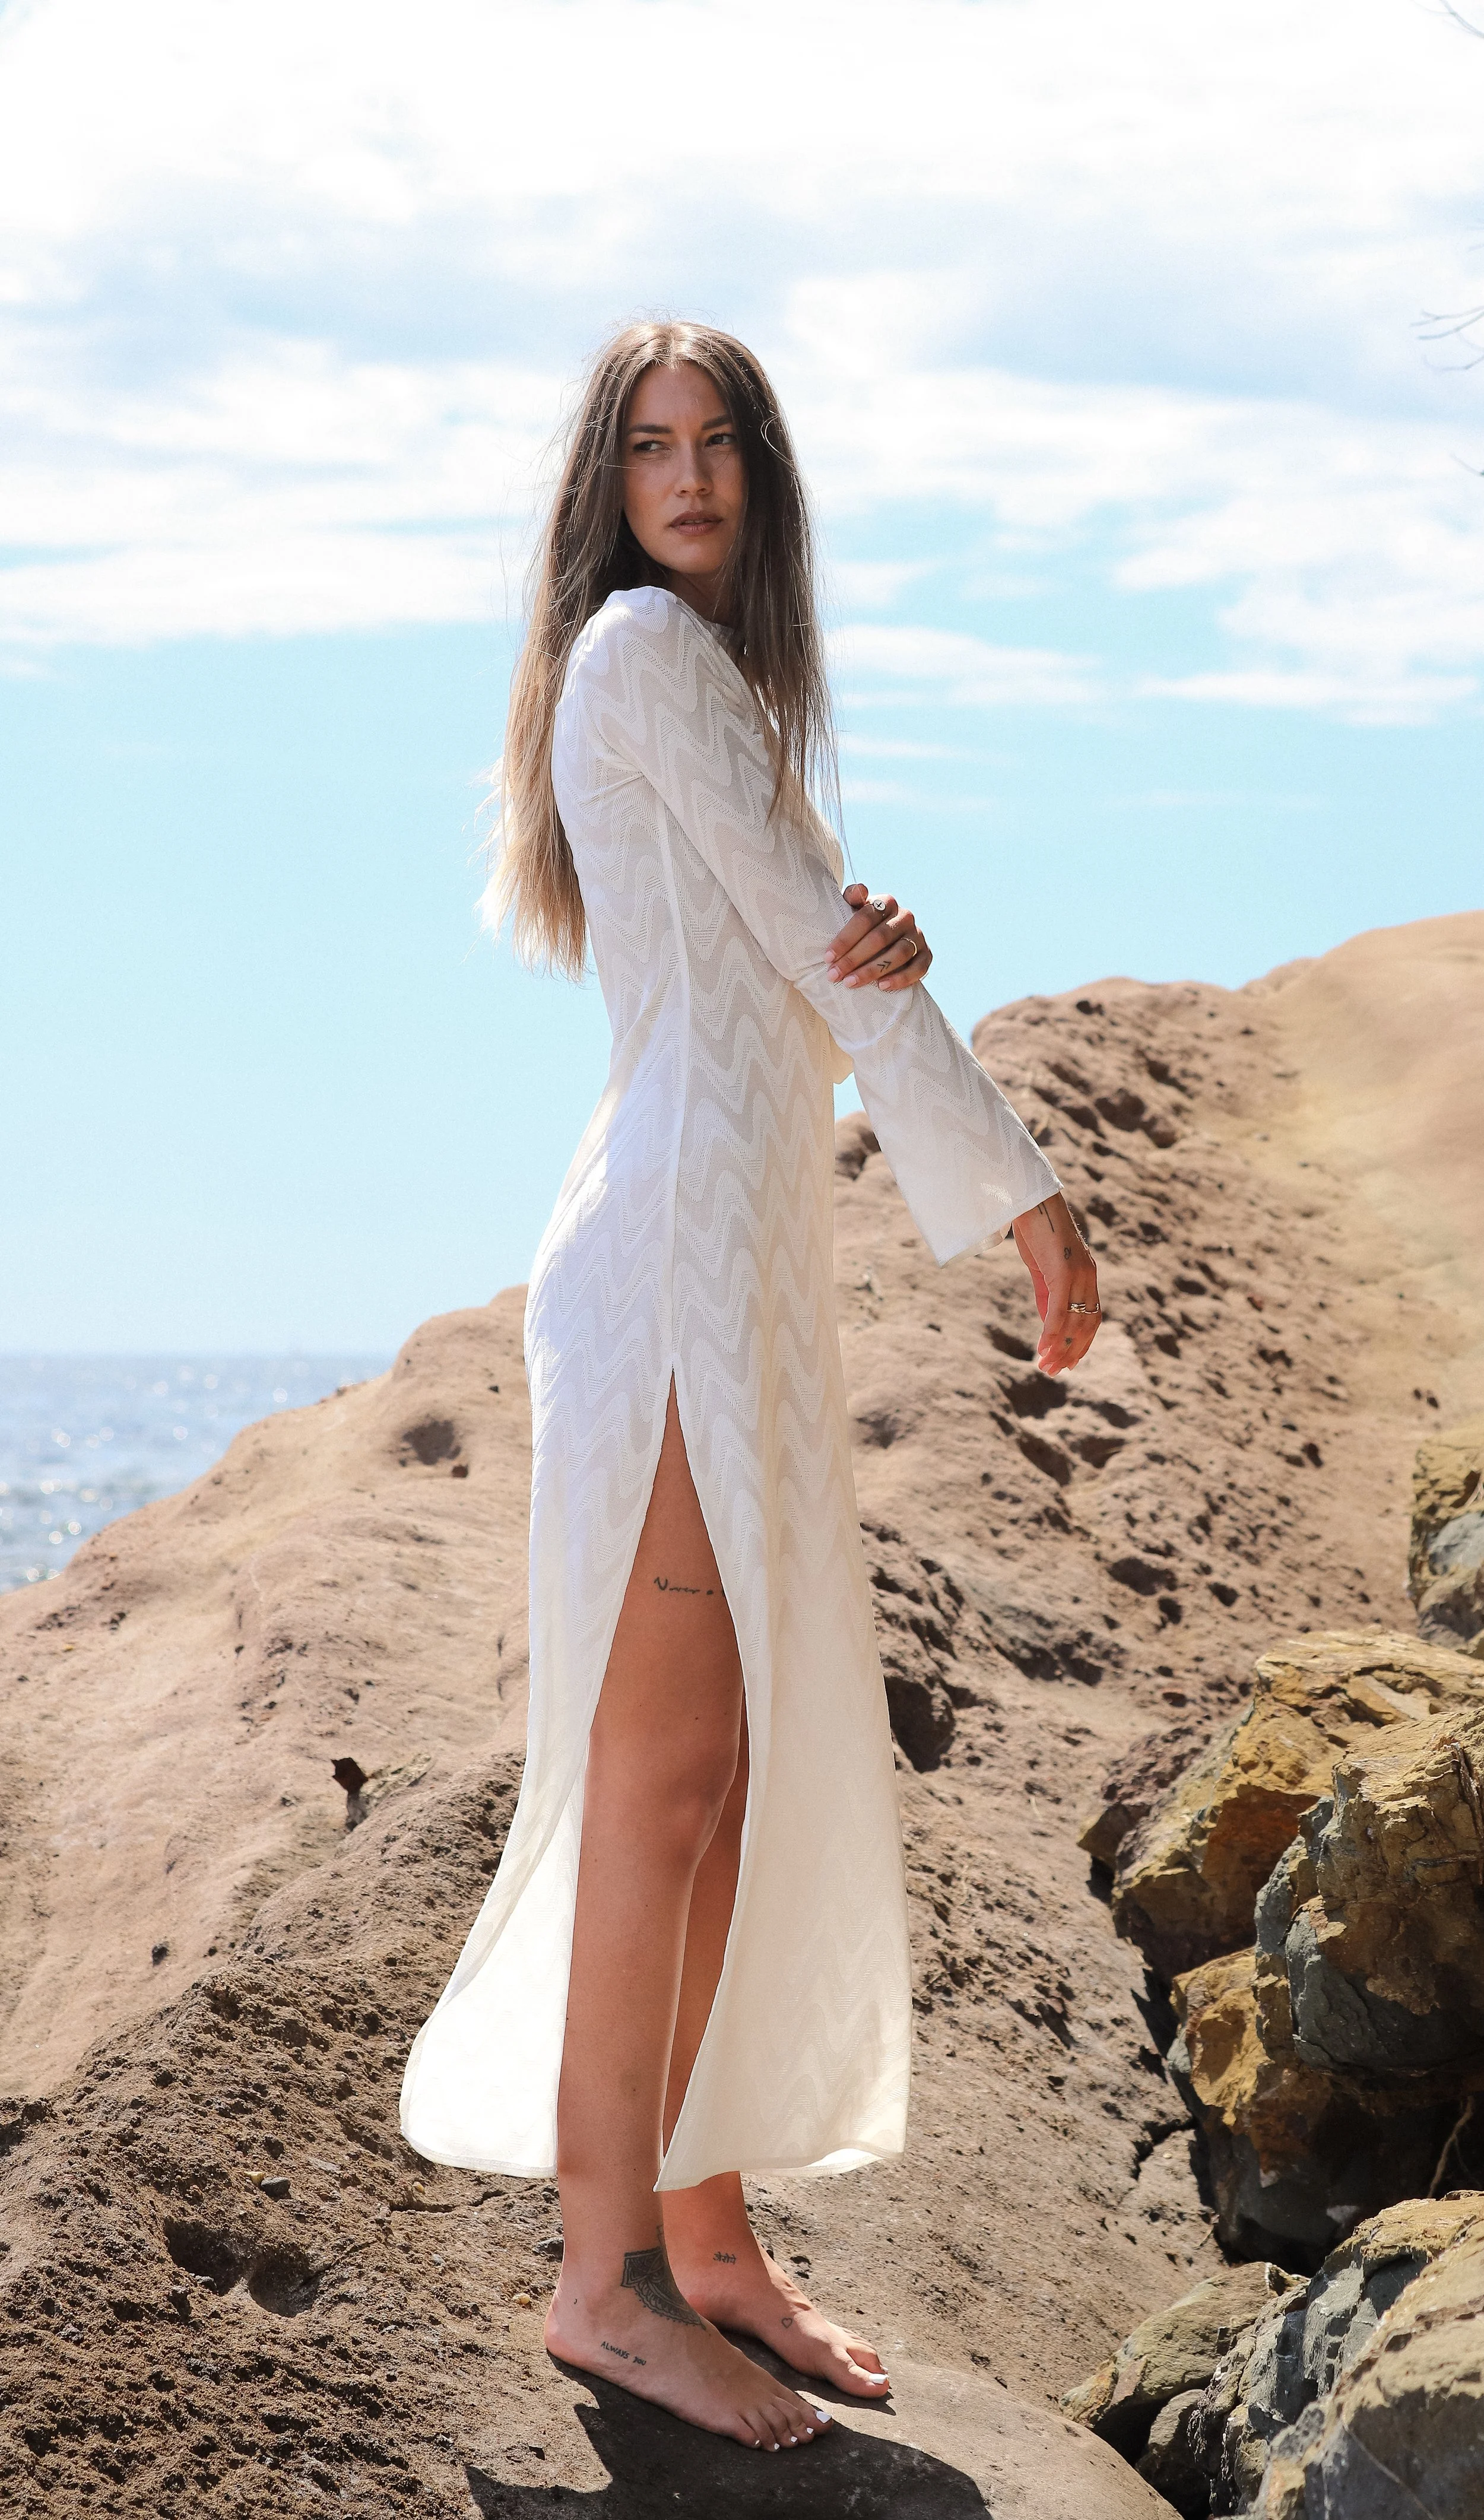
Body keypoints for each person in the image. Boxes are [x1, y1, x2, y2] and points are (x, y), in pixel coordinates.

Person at [401, 320, 1101, 2456]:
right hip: (668, 1283)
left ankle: (704, 2238)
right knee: (660, 1791)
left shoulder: (703, 693)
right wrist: (1027, 1203)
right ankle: (601, 2283)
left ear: (763, 485)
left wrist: (851, 957)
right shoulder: (634, 657)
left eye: (717, 448)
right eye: (648, 449)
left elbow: (783, 971)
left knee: (720, 1784)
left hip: (737, 1272)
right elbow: (793, 957)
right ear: (602, 492)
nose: (685, 480)